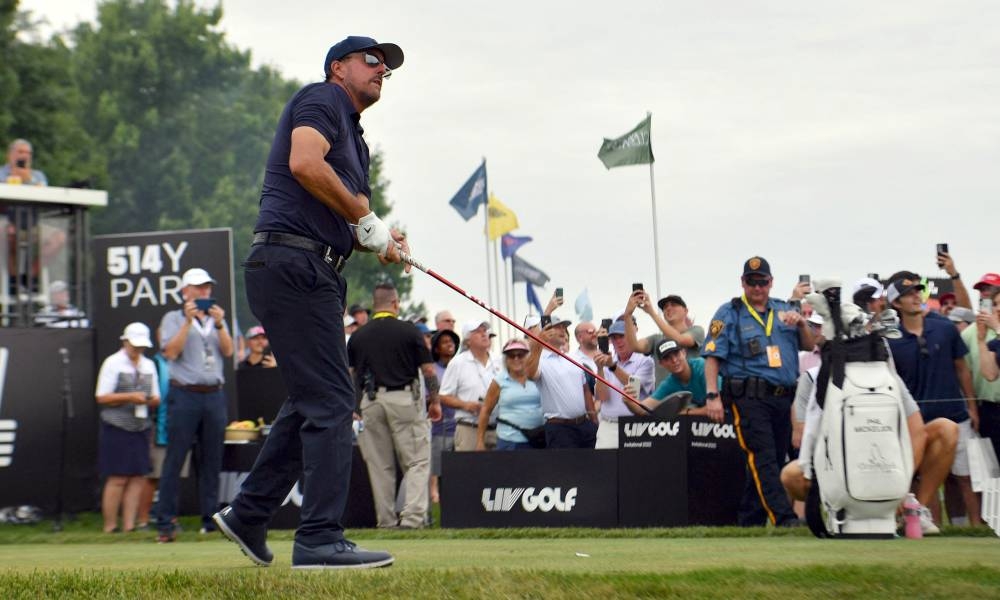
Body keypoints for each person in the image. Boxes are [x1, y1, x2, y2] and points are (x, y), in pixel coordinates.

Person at [212, 36, 406, 569]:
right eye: (371, 59)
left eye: (386, 66)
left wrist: (378, 236)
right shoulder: (323, 99)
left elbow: (351, 209)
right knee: (331, 405)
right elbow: (304, 163)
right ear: (337, 66)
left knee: (310, 401)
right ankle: (319, 538)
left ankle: (249, 513)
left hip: (309, 268)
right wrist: (363, 219)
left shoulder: (354, 137)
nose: (380, 69)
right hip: (293, 265)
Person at [780, 348, 958, 535]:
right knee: (791, 475)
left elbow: (918, 433)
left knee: (946, 429)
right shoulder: (814, 378)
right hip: (839, 464)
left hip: (891, 460)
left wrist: (899, 488)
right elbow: (804, 439)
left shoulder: (889, 378)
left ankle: (914, 511)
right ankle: (840, 509)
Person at [701, 256, 814, 527]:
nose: (757, 288)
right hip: (749, 397)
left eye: (762, 282)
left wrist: (801, 323)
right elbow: (712, 358)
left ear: (771, 282)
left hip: (783, 397)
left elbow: (809, 346)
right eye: (751, 282)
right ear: (743, 282)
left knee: (770, 460)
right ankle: (784, 517)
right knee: (764, 458)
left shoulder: (785, 310)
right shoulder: (729, 312)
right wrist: (712, 396)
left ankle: (750, 521)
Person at [885, 275, 981, 527]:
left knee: (965, 477)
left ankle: (975, 528)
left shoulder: (945, 328)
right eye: (909, 294)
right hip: (916, 423)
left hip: (955, 414)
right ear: (896, 303)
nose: (917, 296)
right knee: (924, 476)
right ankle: (929, 523)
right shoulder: (889, 340)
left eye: (918, 291)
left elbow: (962, 369)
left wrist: (972, 407)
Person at [348, 282, 440, 529]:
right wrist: (435, 401)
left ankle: (386, 522)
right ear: (395, 303)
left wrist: (353, 405)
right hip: (403, 399)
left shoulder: (358, 336)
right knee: (417, 461)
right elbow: (429, 370)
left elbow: (350, 375)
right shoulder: (409, 331)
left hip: (371, 401)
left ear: (374, 305)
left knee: (380, 466)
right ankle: (411, 519)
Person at [156, 267, 233, 542]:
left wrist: (221, 325)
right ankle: (165, 522)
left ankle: (210, 520)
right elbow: (170, 353)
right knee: (175, 459)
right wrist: (188, 323)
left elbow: (229, 351)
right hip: (185, 395)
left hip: (214, 395)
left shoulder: (218, 318)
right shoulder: (173, 319)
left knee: (212, 460)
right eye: (199, 288)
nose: (204, 292)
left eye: (207, 287)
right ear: (185, 291)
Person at [95, 322, 160, 533]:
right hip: (117, 426)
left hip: (141, 427)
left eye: (141, 346)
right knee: (118, 477)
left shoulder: (148, 365)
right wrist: (129, 396)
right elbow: (102, 396)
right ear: (125, 341)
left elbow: (157, 397)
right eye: (134, 345)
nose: (138, 350)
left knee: (138, 476)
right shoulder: (112, 363)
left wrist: (147, 400)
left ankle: (130, 527)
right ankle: (110, 526)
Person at [526, 314, 599, 449]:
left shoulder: (574, 359)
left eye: (564, 327)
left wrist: (594, 422)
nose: (562, 330)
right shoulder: (539, 360)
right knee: (565, 470)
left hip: (585, 425)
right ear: (546, 332)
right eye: (557, 327)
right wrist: (538, 342)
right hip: (559, 429)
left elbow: (585, 390)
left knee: (592, 469)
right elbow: (530, 374)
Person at [593, 319, 654, 448]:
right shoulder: (606, 361)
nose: (618, 341)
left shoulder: (645, 361)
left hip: (636, 426)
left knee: (635, 467)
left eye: (622, 336)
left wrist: (612, 366)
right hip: (609, 425)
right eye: (614, 338)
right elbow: (603, 397)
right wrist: (599, 369)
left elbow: (634, 387)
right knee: (604, 466)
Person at [439, 321, 500, 451]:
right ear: (467, 341)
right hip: (469, 428)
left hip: (498, 428)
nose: (484, 334)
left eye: (485, 331)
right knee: (470, 470)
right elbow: (443, 396)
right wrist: (466, 405)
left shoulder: (499, 360)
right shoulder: (457, 363)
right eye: (478, 332)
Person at [477, 339, 543, 450]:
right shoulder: (498, 381)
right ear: (506, 360)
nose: (516, 359)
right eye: (511, 356)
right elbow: (486, 410)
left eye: (521, 355)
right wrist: (480, 441)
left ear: (528, 357)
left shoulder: (538, 377)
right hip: (509, 441)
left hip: (538, 439)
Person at [624, 291, 705, 383]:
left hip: (692, 395)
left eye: (673, 304)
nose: (668, 308)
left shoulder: (696, 331)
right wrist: (628, 315)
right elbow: (634, 346)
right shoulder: (656, 339)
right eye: (665, 307)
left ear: (685, 311)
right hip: (665, 396)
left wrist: (652, 313)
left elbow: (680, 340)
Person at [629, 340, 719, 417]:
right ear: (661, 364)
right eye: (667, 358)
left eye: (676, 354)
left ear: (684, 353)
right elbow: (642, 409)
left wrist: (687, 412)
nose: (674, 360)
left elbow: (718, 404)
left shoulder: (701, 366)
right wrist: (628, 401)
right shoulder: (669, 383)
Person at [428, 328, 460, 505]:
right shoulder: (433, 370)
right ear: (437, 349)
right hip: (439, 425)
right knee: (437, 464)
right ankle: (434, 494)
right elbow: (429, 395)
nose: (450, 344)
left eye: (452, 341)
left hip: (460, 423)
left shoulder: (461, 365)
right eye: (445, 342)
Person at [974, 290, 1000, 459]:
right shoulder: (995, 341)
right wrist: (981, 340)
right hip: (993, 414)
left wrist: (998, 328)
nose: (997, 309)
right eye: (995, 305)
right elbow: (990, 374)